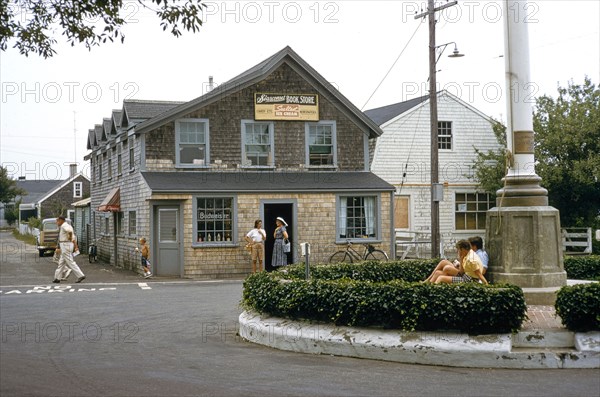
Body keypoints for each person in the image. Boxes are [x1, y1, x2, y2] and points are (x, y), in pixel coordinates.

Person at [53, 216, 85, 283]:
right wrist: (75, 246)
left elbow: (69, 231)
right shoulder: (68, 225)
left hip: (65, 245)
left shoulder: (64, 226)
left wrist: (69, 238)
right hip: (66, 245)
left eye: (57, 221)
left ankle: (80, 275)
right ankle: (57, 278)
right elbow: (73, 237)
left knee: (70, 262)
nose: (57, 222)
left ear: (61, 220)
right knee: (61, 262)